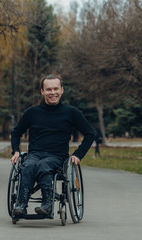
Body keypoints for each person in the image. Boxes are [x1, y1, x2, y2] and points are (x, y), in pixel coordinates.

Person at [10, 73, 96, 216]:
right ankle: (21, 204)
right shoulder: (32, 112)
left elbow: (90, 133)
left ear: (62, 90)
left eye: (56, 89)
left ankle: (47, 204)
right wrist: (16, 151)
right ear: (42, 92)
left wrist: (78, 154)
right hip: (34, 154)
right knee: (28, 166)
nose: (53, 93)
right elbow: (16, 132)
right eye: (49, 89)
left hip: (57, 156)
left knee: (44, 166)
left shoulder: (71, 113)